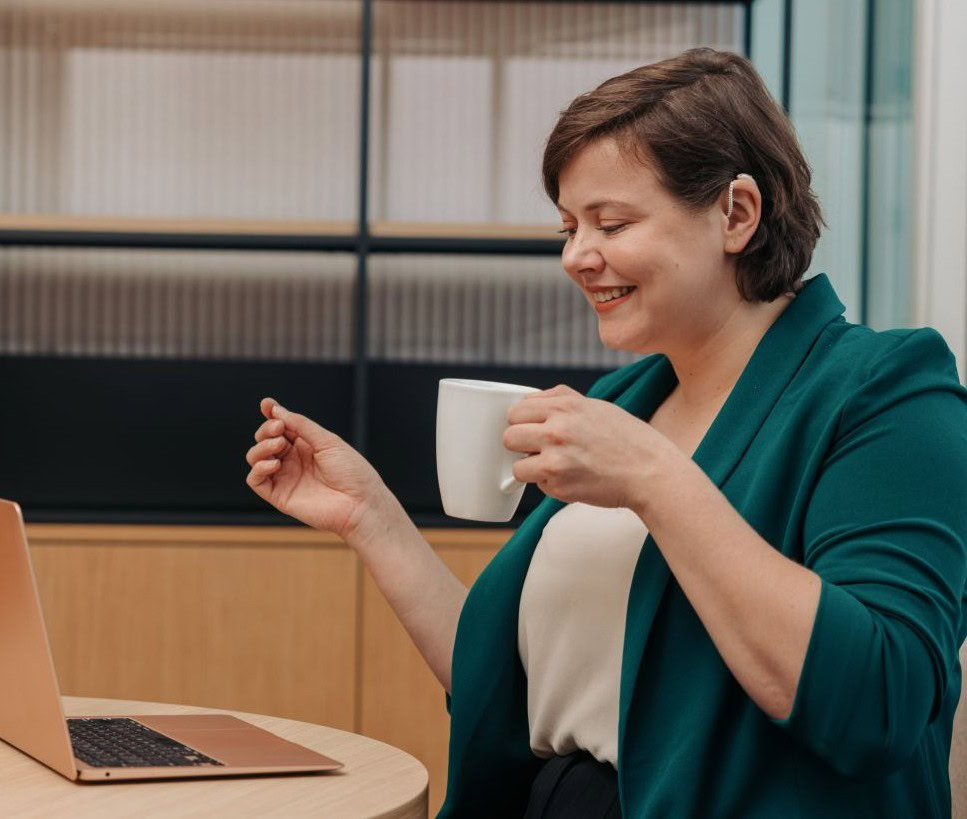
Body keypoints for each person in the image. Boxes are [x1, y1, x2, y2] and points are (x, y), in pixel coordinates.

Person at [245, 48, 967, 818]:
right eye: (567, 226)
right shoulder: (627, 401)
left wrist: (656, 480)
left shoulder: (889, 391)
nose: (575, 257)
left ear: (736, 214)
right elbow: (511, 693)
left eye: (610, 223)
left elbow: (880, 701)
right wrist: (371, 517)